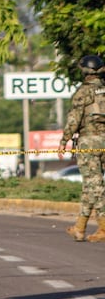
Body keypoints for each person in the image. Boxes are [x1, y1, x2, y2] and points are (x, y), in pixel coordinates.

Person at [58, 55, 105, 242]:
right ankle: (80, 226)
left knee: (95, 185)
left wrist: (64, 141)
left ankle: (103, 226)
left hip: (89, 143)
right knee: (91, 184)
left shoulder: (83, 92)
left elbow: (74, 119)